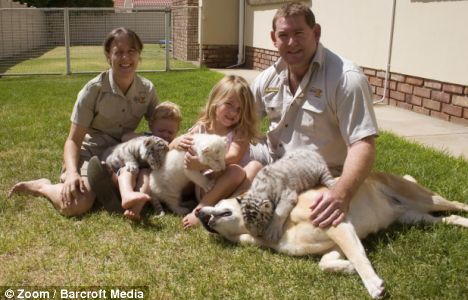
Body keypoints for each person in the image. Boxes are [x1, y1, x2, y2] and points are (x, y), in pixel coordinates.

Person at [250, 2, 379, 228]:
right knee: (218, 161)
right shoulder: (269, 77)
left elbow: (363, 144)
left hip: (316, 175)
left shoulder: (345, 79)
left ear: (316, 32)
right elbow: (239, 119)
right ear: (274, 38)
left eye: (299, 33)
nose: (291, 43)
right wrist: (197, 136)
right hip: (273, 160)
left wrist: (341, 195)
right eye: (283, 35)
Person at [8, 27, 159, 218]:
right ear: (108, 56)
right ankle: (43, 186)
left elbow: (161, 125)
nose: (125, 58)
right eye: (118, 52)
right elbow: (73, 140)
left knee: (153, 181)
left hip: (121, 154)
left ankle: (110, 185)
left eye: (131, 51)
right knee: (76, 205)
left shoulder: (147, 89)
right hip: (91, 153)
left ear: (139, 55)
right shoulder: (93, 90)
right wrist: (72, 172)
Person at [171, 75, 263, 228]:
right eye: (229, 104)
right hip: (208, 186)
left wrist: (202, 164)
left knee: (255, 167)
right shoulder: (201, 128)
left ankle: (228, 209)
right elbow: (173, 148)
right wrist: (176, 142)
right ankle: (201, 209)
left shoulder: (240, 132)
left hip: (236, 187)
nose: (233, 113)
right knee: (236, 171)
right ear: (215, 101)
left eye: (240, 109)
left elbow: (233, 156)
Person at [117, 101, 182, 220]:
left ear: (177, 130)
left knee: (145, 176)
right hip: (133, 167)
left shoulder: (173, 144)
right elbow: (124, 137)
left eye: (170, 132)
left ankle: (136, 208)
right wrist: (147, 139)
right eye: (161, 131)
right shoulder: (148, 136)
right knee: (127, 170)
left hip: (150, 175)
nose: (165, 135)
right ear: (151, 125)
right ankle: (127, 195)